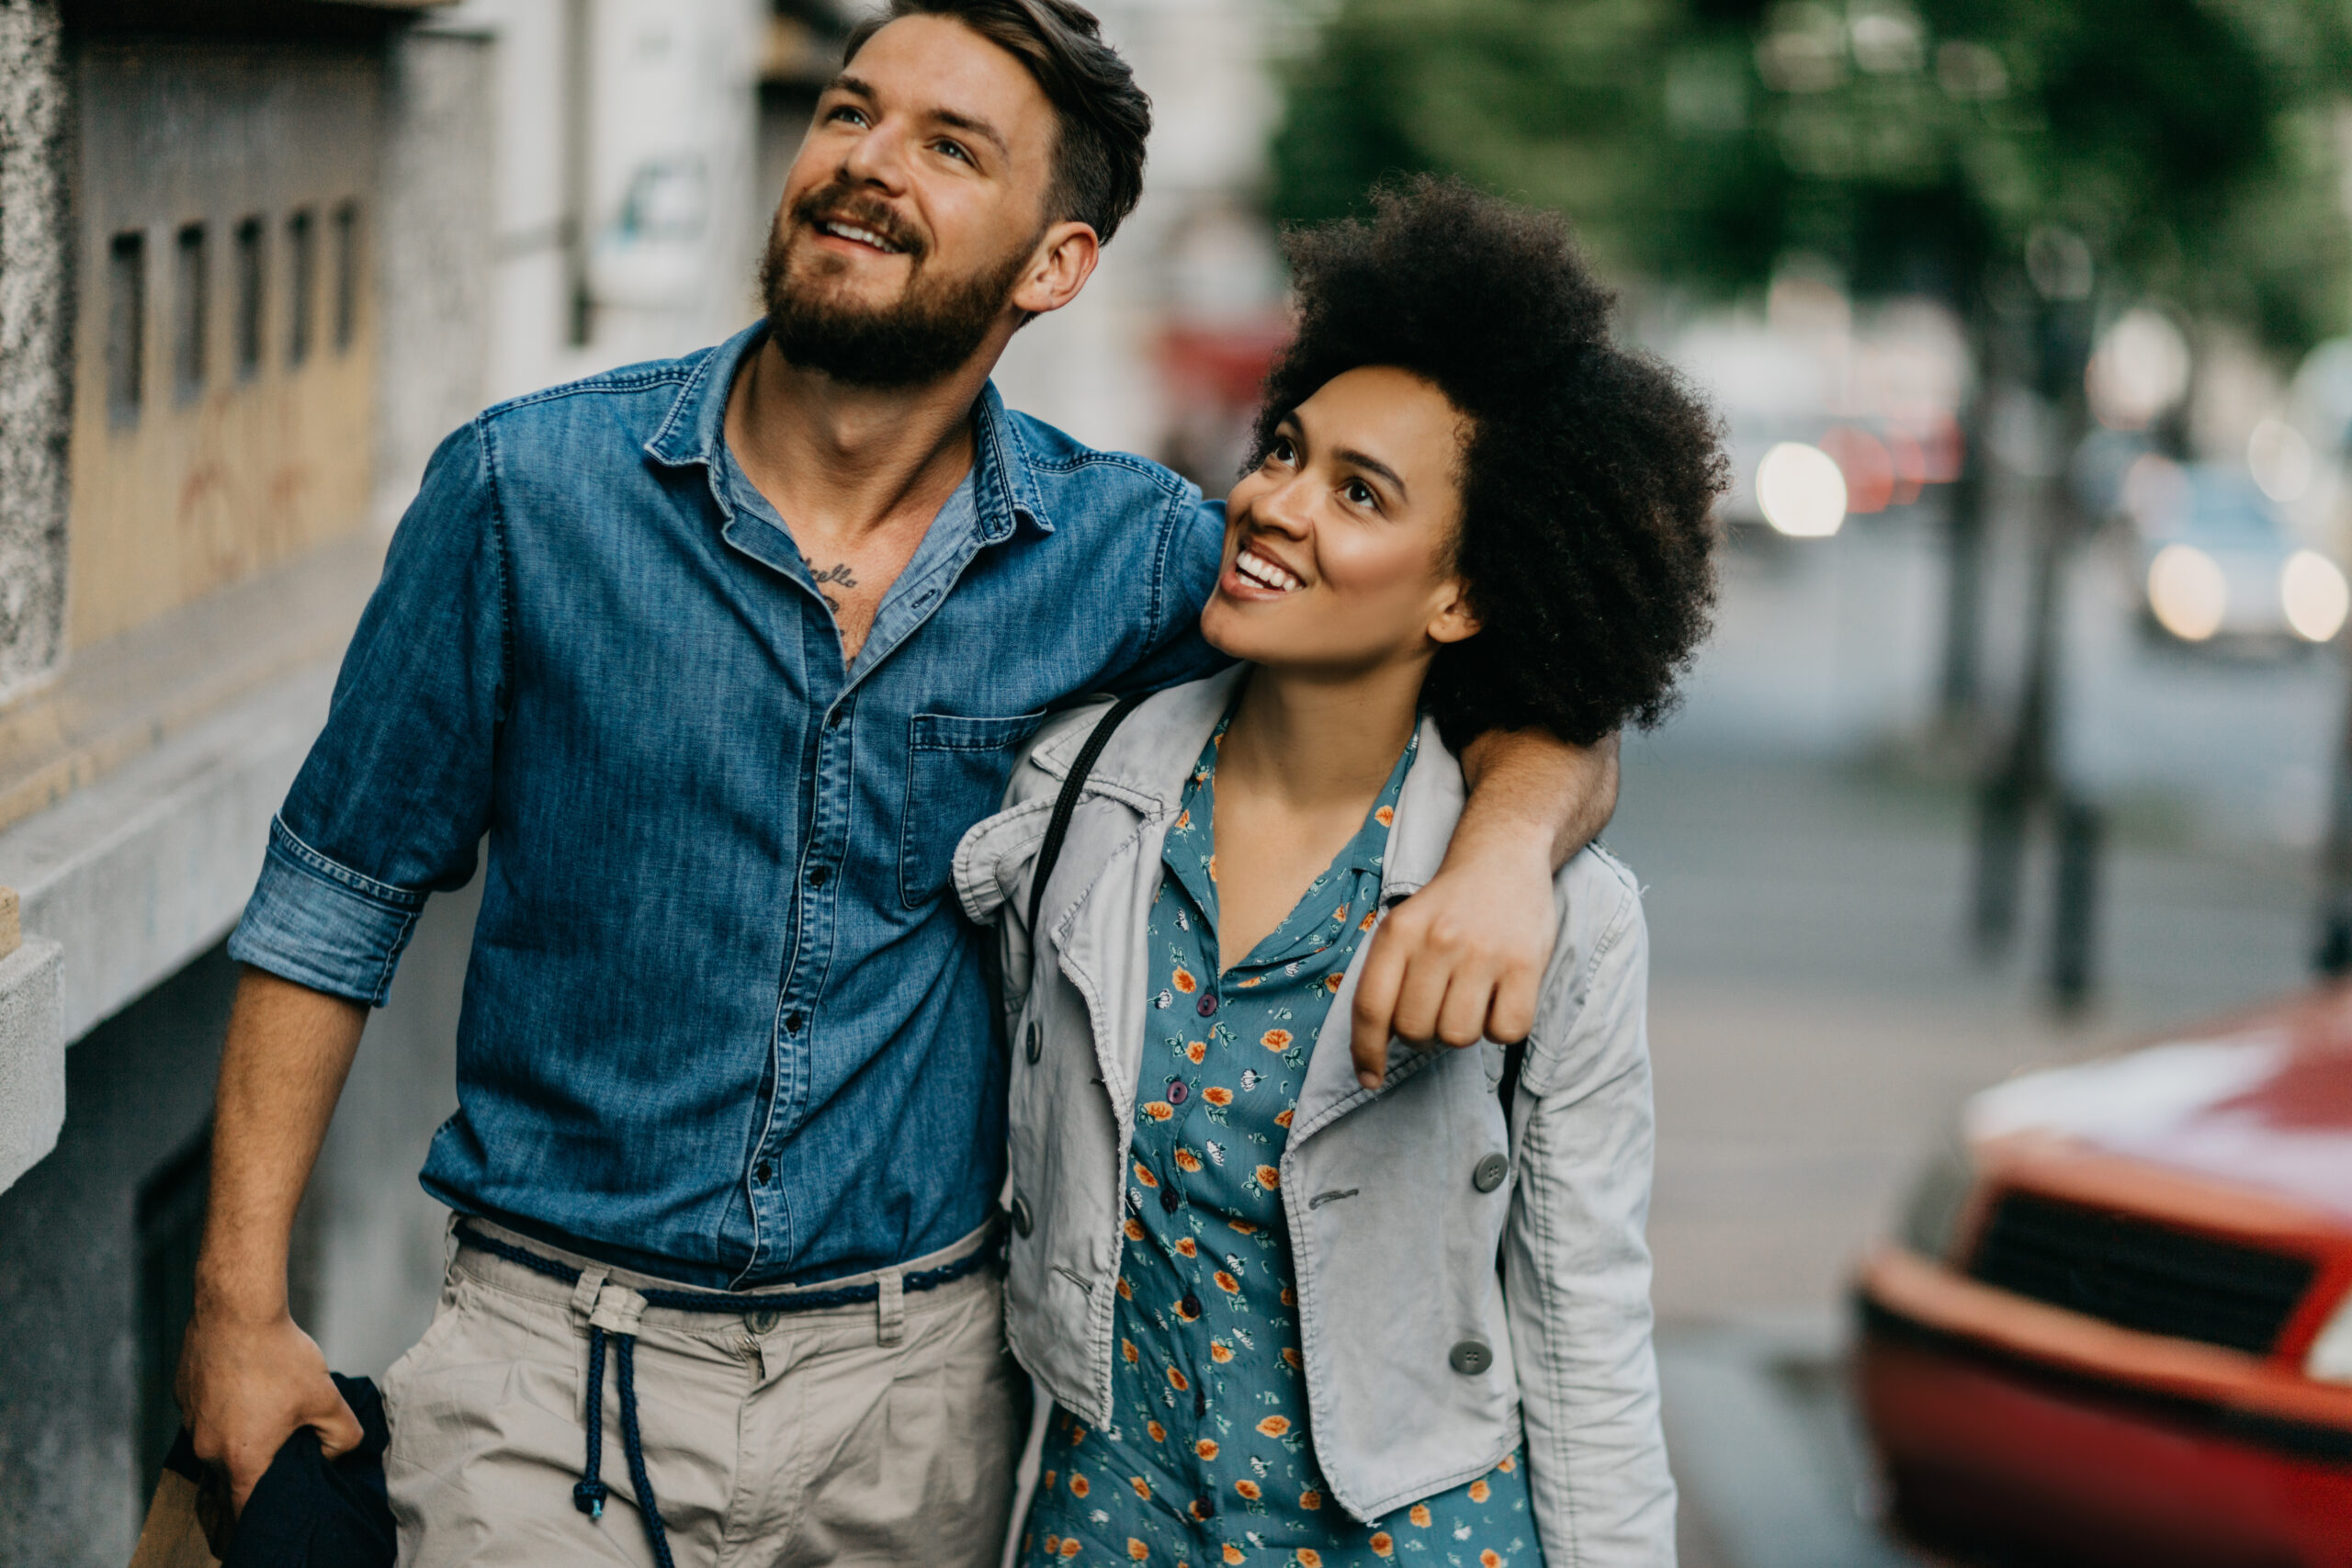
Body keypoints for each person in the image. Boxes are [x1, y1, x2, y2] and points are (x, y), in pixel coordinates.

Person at [174, 5, 1624, 1564]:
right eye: (850, 114)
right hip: (546, 1380)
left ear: (1054, 265)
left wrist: (1503, 855)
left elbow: (1504, 676)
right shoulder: (525, 494)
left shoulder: (1126, 556)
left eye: (950, 147)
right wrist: (234, 1306)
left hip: (913, 1411)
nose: (866, 164)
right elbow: (337, 893)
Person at [956, 177, 1722, 1566]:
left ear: (1464, 591)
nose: (1274, 504)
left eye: (1358, 493)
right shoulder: (1077, 801)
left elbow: (1584, 1317)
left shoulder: (1564, 923)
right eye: (1287, 452)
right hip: (1103, 1532)